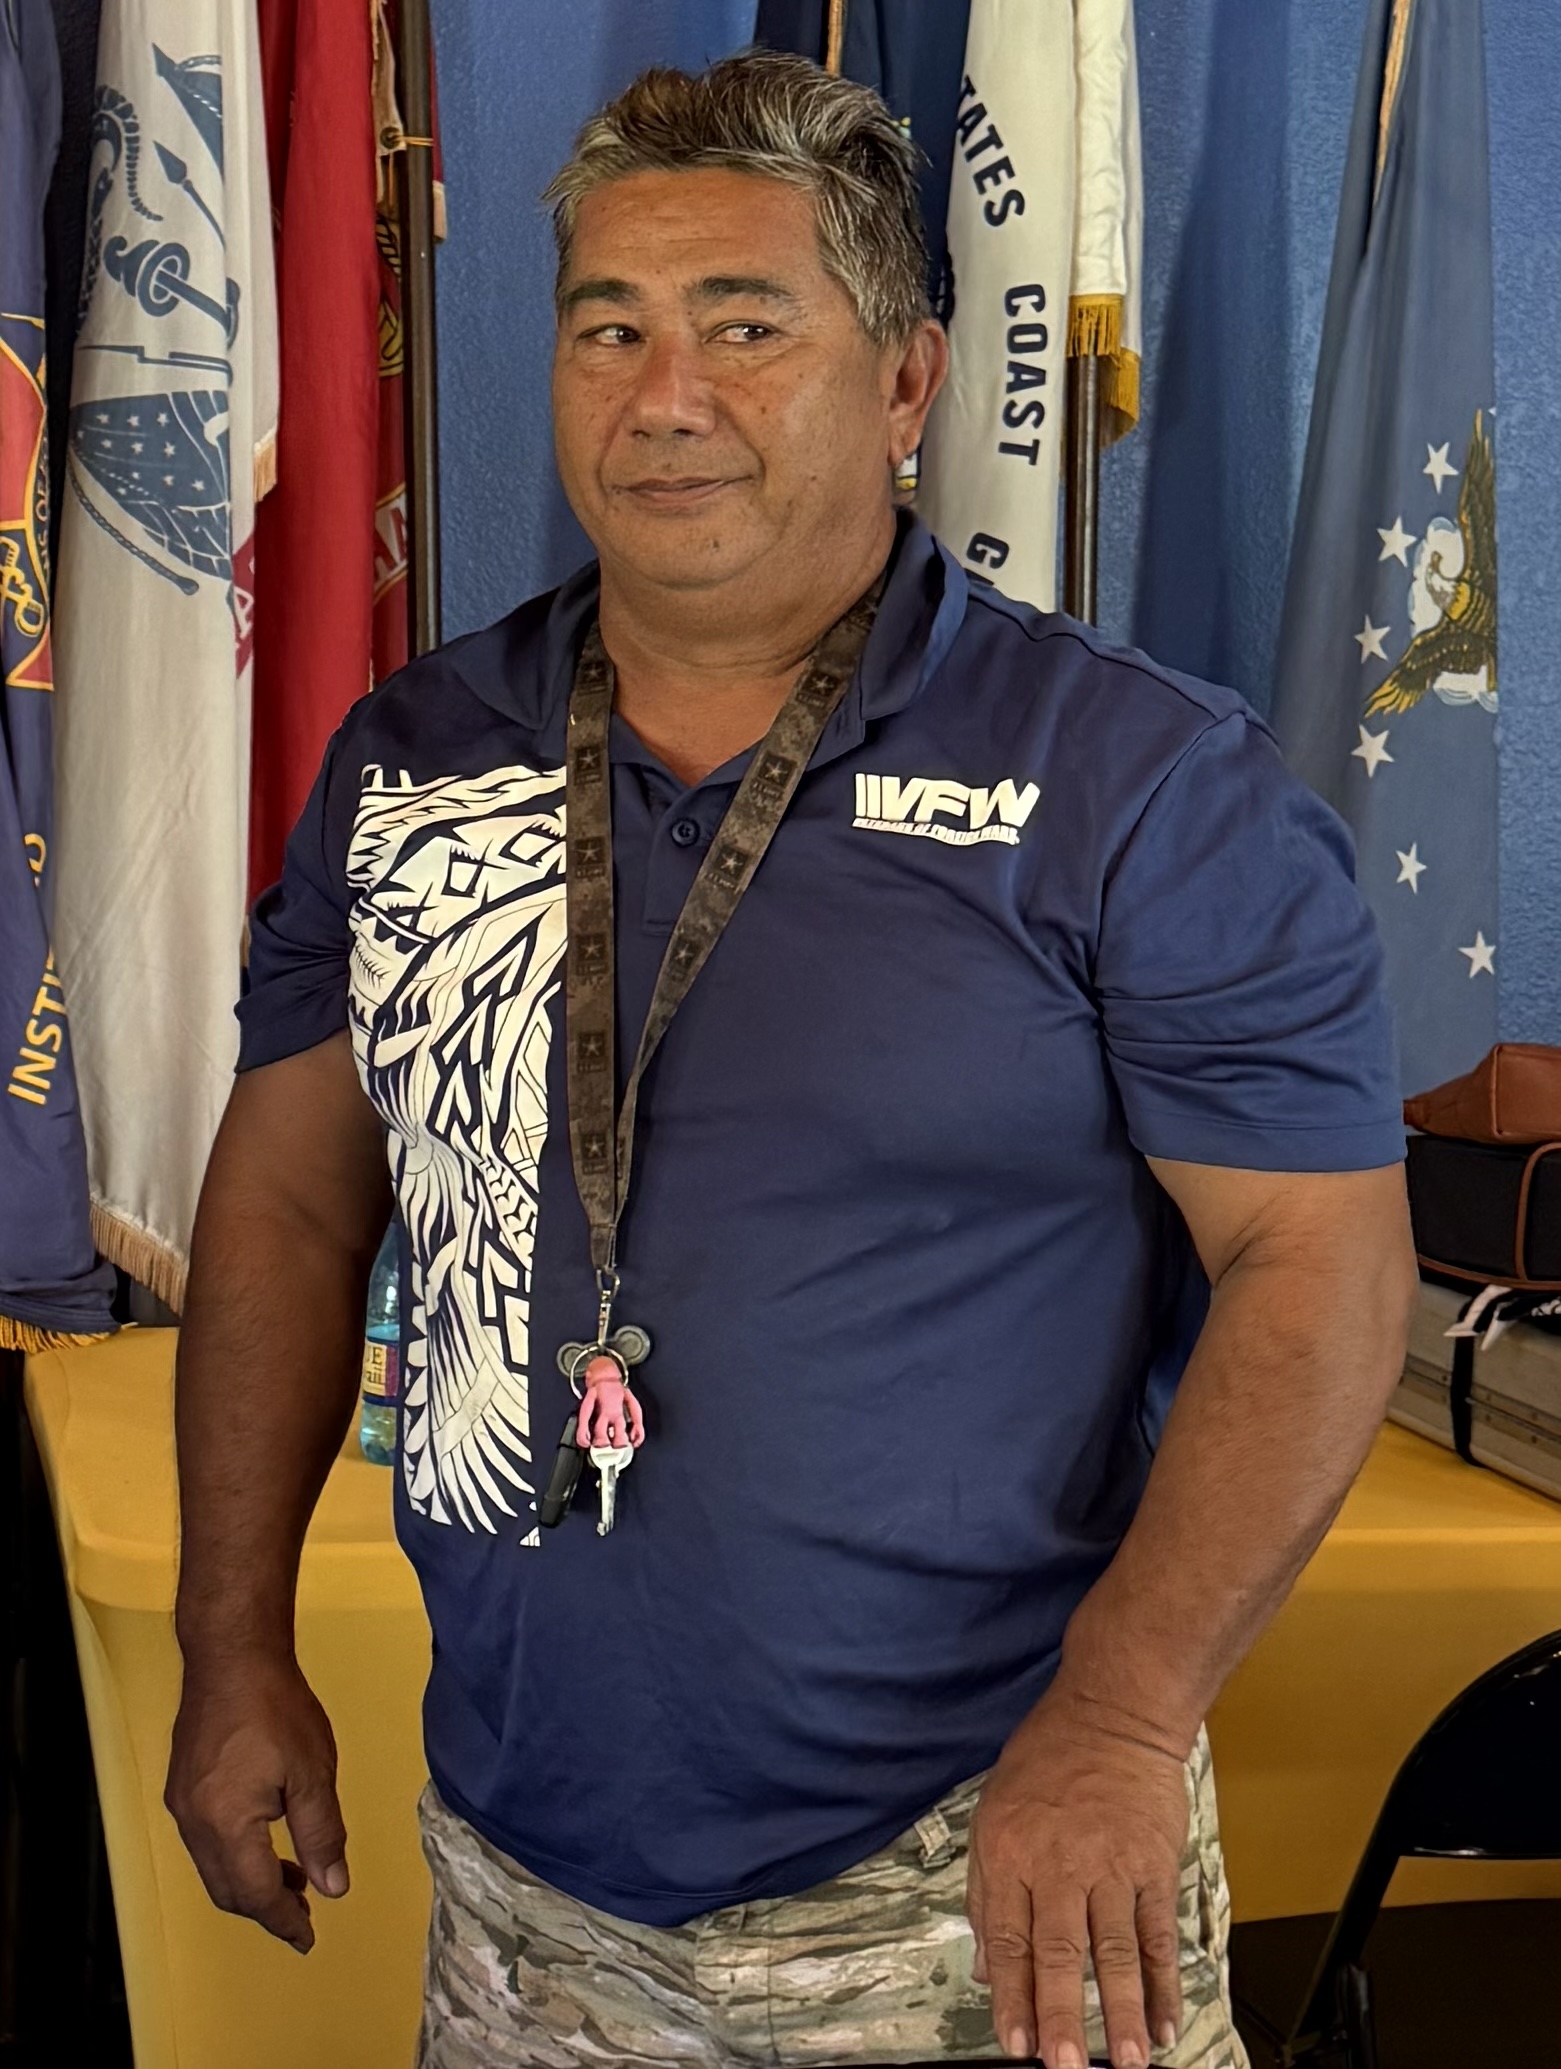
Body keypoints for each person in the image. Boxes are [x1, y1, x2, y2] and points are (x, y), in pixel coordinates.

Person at [164, 49, 1417, 2069]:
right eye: (610, 329)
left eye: (746, 327)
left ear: (907, 383)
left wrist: (1121, 1715)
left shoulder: (1140, 785)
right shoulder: (412, 757)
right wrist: (230, 1642)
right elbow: (295, 1205)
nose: (666, 396)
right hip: (527, 1896)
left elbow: (1318, 1262)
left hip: (983, 1877)